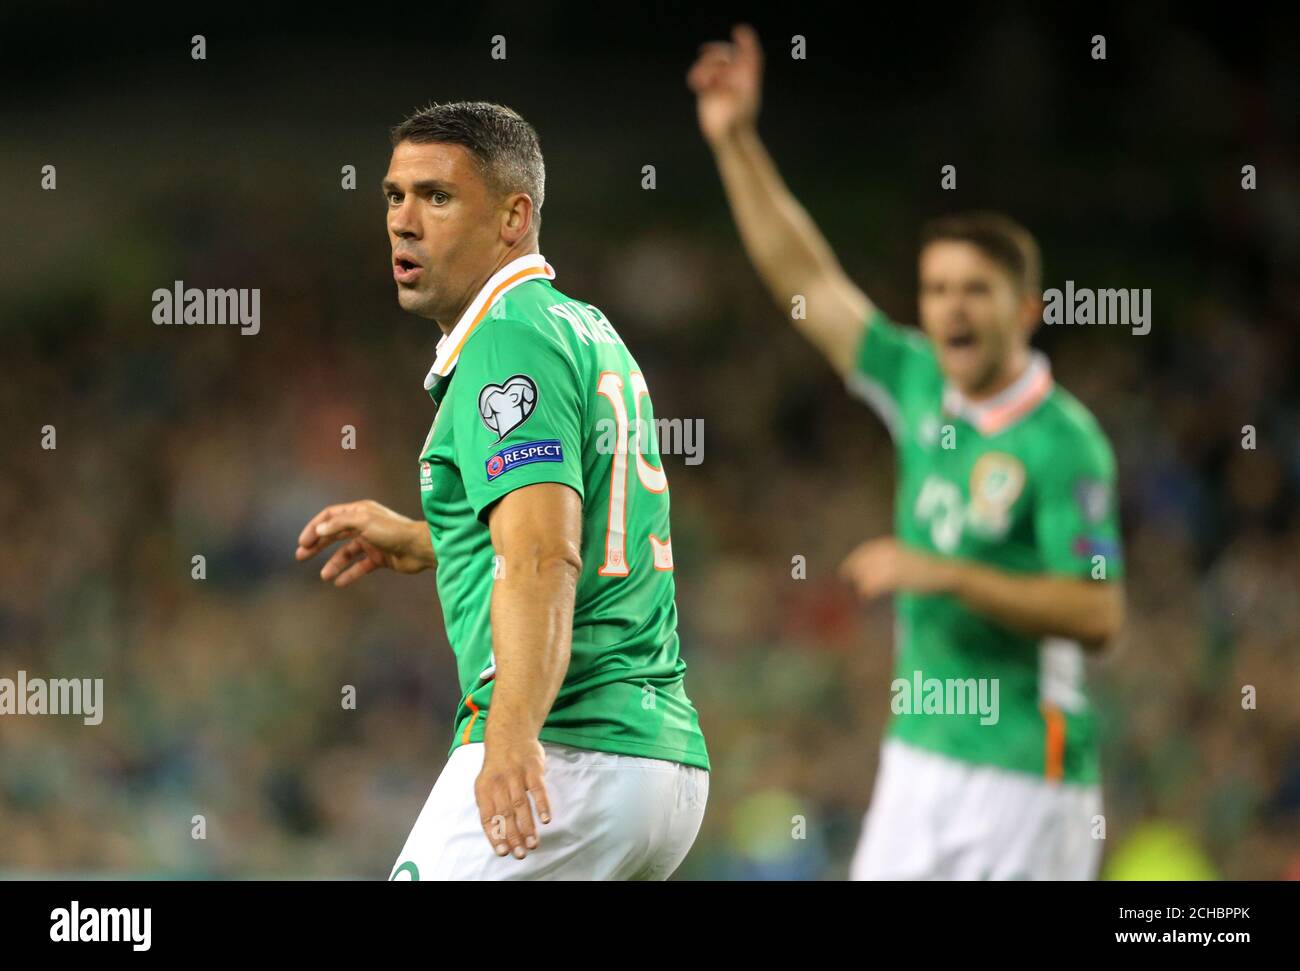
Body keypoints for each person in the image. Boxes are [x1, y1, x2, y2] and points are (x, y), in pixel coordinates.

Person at [689, 27, 1124, 879]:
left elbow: (1099, 613)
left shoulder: (1064, 440)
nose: (951, 310)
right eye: (936, 289)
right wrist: (735, 140)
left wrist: (946, 572)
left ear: (1026, 308)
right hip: (918, 753)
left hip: (1026, 773)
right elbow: (807, 282)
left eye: (975, 291)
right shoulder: (918, 381)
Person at [296, 101, 708, 879]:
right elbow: (580, 523)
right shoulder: (580, 326)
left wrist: (511, 736)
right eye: (394, 196)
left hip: (571, 746)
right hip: (659, 762)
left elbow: (546, 556)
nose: (404, 222)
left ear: (515, 216)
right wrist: (431, 539)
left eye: (437, 197)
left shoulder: (507, 338)